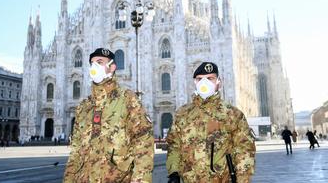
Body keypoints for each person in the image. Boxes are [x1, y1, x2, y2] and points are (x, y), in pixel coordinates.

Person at [64, 48, 154, 183]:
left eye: (99, 62)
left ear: (112, 67)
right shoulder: (84, 106)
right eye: (92, 63)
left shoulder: (128, 99)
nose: (94, 67)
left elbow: (144, 144)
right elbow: (75, 150)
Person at [166, 62, 256, 183]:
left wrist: (242, 180)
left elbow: (244, 149)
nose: (204, 83)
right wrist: (174, 172)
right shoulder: (182, 114)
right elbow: (174, 146)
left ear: (218, 82)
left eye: (210, 78)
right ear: (195, 82)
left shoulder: (233, 114)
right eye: (200, 79)